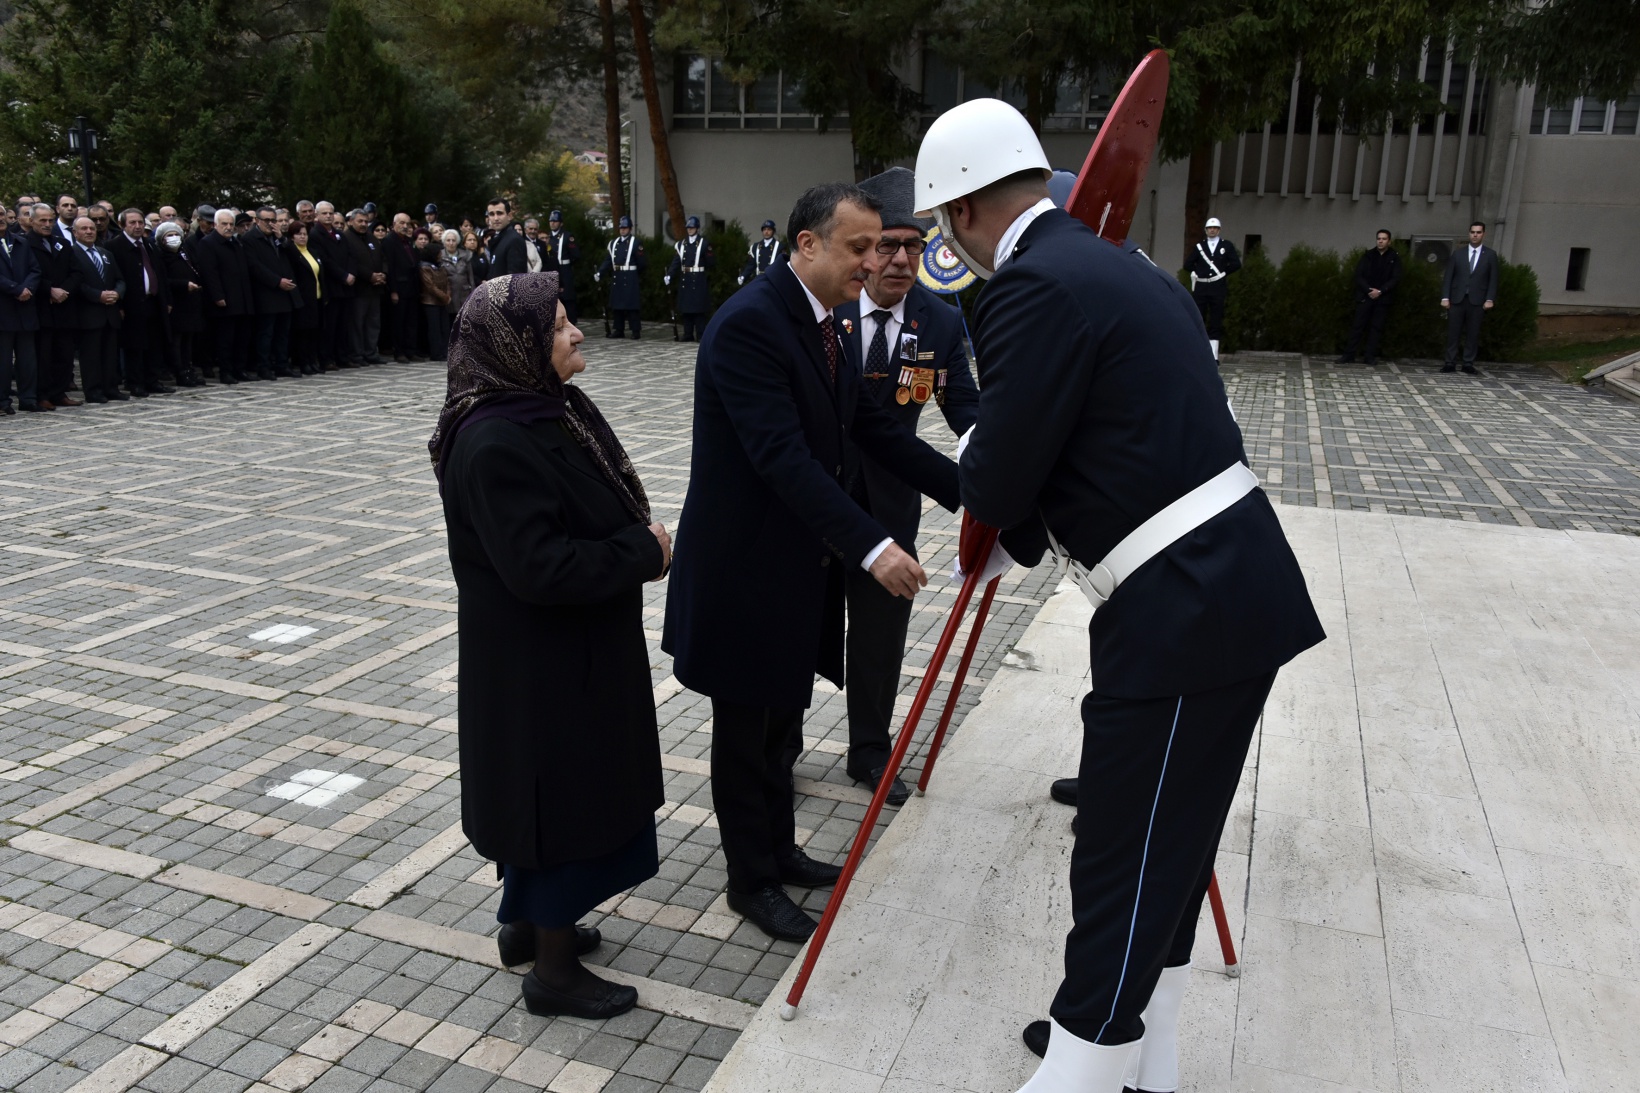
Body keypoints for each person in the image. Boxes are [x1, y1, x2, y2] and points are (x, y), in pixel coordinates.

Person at [914, 98, 1324, 1093]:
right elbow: (1093, 435)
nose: (948, 247)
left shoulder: (1027, 285)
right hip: (1222, 589)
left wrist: (979, 466)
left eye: (941, 227)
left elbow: (1001, 479)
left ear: (961, 211)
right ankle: (1145, 1059)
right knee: (1170, 846)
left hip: (1184, 606)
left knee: (1123, 853)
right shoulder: (1117, 263)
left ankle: (1084, 1068)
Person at [661, 182, 962, 942]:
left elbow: (872, 429)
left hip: (792, 568)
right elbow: (782, 458)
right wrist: (874, 545)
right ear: (807, 244)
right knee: (745, 732)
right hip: (742, 571)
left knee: (779, 721)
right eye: (859, 247)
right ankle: (750, 880)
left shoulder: (826, 322)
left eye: (879, 247)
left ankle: (779, 850)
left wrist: (971, 490)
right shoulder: (750, 325)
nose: (873, 262)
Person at [431, 271, 670, 1020]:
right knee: (558, 805)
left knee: (555, 797)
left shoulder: (540, 408)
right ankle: (555, 973)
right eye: (559, 324)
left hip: (565, 653)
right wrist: (644, 552)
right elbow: (540, 568)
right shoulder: (495, 440)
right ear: (517, 345)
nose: (575, 333)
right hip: (543, 666)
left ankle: (528, 926)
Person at [832, 167, 979, 806]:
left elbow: (964, 408)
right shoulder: (828, 307)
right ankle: (776, 748)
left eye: (912, 247)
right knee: (796, 624)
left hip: (892, 505)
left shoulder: (938, 322)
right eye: (887, 245)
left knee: (879, 637)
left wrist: (994, 466)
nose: (899, 260)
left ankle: (869, 750)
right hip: (818, 497)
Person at [107, 208, 174, 396]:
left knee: (154, 343)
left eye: (140, 223)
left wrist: (167, 300)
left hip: (153, 301)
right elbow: (113, 278)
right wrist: (119, 305)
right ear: (122, 225)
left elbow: (161, 274)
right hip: (131, 303)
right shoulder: (114, 246)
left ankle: (152, 379)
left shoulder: (148, 244)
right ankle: (134, 382)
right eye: (132, 223)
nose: (137, 226)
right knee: (134, 345)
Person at [64, 214, 126, 402]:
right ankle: (93, 391)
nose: (89, 231)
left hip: (110, 312)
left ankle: (111, 388)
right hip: (88, 312)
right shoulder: (71, 253)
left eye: (91, 228)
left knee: (110, 354)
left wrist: (117, 293)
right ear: (75, 232)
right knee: (91, 356)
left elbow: (120, 279)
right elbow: (76, 283)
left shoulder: (105, 253)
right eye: (84, 228)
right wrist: (97, 296)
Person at [27, 203, 79, 407]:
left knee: (64, 354)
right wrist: (49, 289)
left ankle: (60, 392)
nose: (47, 224)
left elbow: (76, 272)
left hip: (64, 306)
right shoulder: (25, 243)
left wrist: (64, 290)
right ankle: (42, 395)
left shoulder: (62, 243)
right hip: (41, 308)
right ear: (32, 221)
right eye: (43, 220)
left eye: (50, 220)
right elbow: (27, 273)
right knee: (43, 355)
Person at [195, 208, 255, 384]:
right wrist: (218, 296)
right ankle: (226, 372)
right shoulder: (208, 243)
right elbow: (209, 273)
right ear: (215, 225)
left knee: (242, 338)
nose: (228, 227)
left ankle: (239, 369)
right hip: (224, 300)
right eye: (224, 224)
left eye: (231, 224)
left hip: (241, 298)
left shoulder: (236, 242)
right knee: (225, 340)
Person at [243, 207, 299, 379]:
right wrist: (277, 281)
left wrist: (282, 238)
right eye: (266, 220)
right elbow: (255, 266)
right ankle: (264, 366)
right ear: (257, 221)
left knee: (283, 333)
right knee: (266, 333)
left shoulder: (278, 238)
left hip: (285, 293)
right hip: (266, 293)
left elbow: (295, 256)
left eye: (273, 220)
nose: (270, 224)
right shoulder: (250, 239)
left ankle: (282, 364)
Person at [1441, 221, 1499, 375]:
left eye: (1478, 232)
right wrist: (1445, 297)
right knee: (1453, 332)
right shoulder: (1458, 254)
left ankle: (1468, 363)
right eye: (1473, 232)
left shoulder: (1490, 255)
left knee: (1473, 333)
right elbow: (1448, 276)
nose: (1475, 235)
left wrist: (1490, 299)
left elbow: (1493, 279)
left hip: (1477, 300)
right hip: (1457, 299)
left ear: (1483, 234)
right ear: (1469, 233)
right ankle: (1450, 362)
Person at [1339, 229, 1402, 366]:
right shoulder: (1368, 255)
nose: (1380, 241)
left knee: (1376, 328)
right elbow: (1359, 275)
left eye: (1384, 239)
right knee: (1357, 326)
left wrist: (1380, 291)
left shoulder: (1394, 257)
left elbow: (1395, 278)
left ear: (1389, 241)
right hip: (1366, 297)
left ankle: (1369, 356)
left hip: (1382, 299)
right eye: (1379, 238)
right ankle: (1349, 355)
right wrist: (1368, 290)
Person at [155, 221, 206, 387]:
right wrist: (183, 284)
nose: (174, 238)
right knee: (176, 340)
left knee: (188, 340)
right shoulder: (160, 256)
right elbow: (163, 280)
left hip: (190, 301)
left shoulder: (184, 253)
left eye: (176, 234)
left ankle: (188, 368)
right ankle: (179, 371)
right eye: (169, 235)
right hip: (175, 303)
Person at [0, 221, 42, 413]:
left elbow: (35, 269)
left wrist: (27, 288)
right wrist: (16, 289)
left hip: (25, 307)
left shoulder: (21, 242)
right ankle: (3, 401)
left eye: (1, 214)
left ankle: (28, 398)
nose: (0, 218)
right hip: (3, 309)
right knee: (3, 360)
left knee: (27, 359)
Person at [1185, 216, 1240, 361]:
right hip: (1202, 287)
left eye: (1215, 228)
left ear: (1219, 230)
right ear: (1206, 230)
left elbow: (1236, 264)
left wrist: (1224, 273)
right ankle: (1198, 351)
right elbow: (1188, 264)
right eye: (1210, 228)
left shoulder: (1226, 245)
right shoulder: (1200, 246)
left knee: (1216, 319)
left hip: (1217, 287)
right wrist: (1196, 272)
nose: (1212, 230)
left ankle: (1214, 355)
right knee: (1198, 318)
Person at [344, 209, 386, 364]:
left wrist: (383, 274)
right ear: (351, 221)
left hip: (375, 288)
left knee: (373, 323)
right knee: (357, 323)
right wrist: (370, 276)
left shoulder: (371, 237)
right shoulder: (346, 238)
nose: (363, 224)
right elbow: (351, 262)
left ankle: (371, 352)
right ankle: (357, 354)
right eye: (360, 221)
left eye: (366, 221)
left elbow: (383, 258)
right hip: (359, 289)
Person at [665, 216, 714, 342]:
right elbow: (676, 262)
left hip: (698, 278)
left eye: (692, 228)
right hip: (685, 278)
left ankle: (700, 334)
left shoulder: (704, 243)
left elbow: (710, 262)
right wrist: (669, 275)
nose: (690, 230)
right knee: (686, 309)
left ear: (697, 228)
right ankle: (688, 334)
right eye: (688, 228)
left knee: (698, 309)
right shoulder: (681, 244)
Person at [595, 217, 645, 338]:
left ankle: (635, 330)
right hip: (617, 275)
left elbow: (642, 263)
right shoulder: (613, 243)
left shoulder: (636, 243)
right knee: (617, 305)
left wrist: (635, 274)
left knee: (632, 305)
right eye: (621, 228)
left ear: (630, 229)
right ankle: (618, 329)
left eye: (625, 228)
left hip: (630, 276)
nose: (622, 230)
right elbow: (608, 260)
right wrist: (600, 273)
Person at [285, 221, 323, 375]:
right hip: (302, 298)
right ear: (292, 237)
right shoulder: (293, 253)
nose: (302, 237)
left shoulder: (313, 251)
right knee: (303, 333)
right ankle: (303, 362)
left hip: (316, 297)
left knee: (314, 331)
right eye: (298, 234)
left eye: (305, 234)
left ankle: (312, 361)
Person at [385, 213, 422, 361]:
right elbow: (390, 267)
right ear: (394, 224)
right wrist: (393, 290)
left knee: (411, 321)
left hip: (412, 287)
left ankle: (410, 350)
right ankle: (399, 351)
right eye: (401, 223)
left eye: (407, 223)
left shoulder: (408, 241)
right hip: (399, 287)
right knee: (399, 321)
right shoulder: (389, 241)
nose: (405, 226)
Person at [419, 235, 452, 360]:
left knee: (444, 328)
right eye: (439, 253)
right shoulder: (424, 267)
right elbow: (430, 286)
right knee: (434, 329)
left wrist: (448, 294)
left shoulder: (440, 265)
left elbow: (447, 281)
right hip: (431, 302)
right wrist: (444, 297)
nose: (441, 255)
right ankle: (436, 353)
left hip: (442, 301)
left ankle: (444, 351)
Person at [543, 211, 580, 324]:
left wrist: (567, 265)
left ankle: (571, 322)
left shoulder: (567, 236)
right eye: (551, 221)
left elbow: (576, 255)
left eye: (555, 221)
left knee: (567, 298)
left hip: (564, 270)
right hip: (552, 270)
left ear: (561, 223)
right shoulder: (547, 236)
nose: (552, 223)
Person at [483, 198, 527, 280]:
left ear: (509, 216)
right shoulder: (498, 238)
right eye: (492, 214)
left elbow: (515, 278)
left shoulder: (514, 240)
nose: (496, 218)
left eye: (499, 213)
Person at [443, 229, 478, 319]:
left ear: (457, 242)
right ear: (444, 242)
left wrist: (473, 293)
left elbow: (470, 277)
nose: (451, 243)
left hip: (464, 294)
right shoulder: (440, 256)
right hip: (449, 295)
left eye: (453, 240)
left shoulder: (465, 255)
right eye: (448, 240)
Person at [739, 219, 786, 285]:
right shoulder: (755, 246)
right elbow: (751, 265)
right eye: (764, 229)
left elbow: (782, 266)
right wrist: (743, 276)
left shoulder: (779, 247)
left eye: (769, 229)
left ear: (773, 231)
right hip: (759, 279)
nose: (766, 232)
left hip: (773, 280)